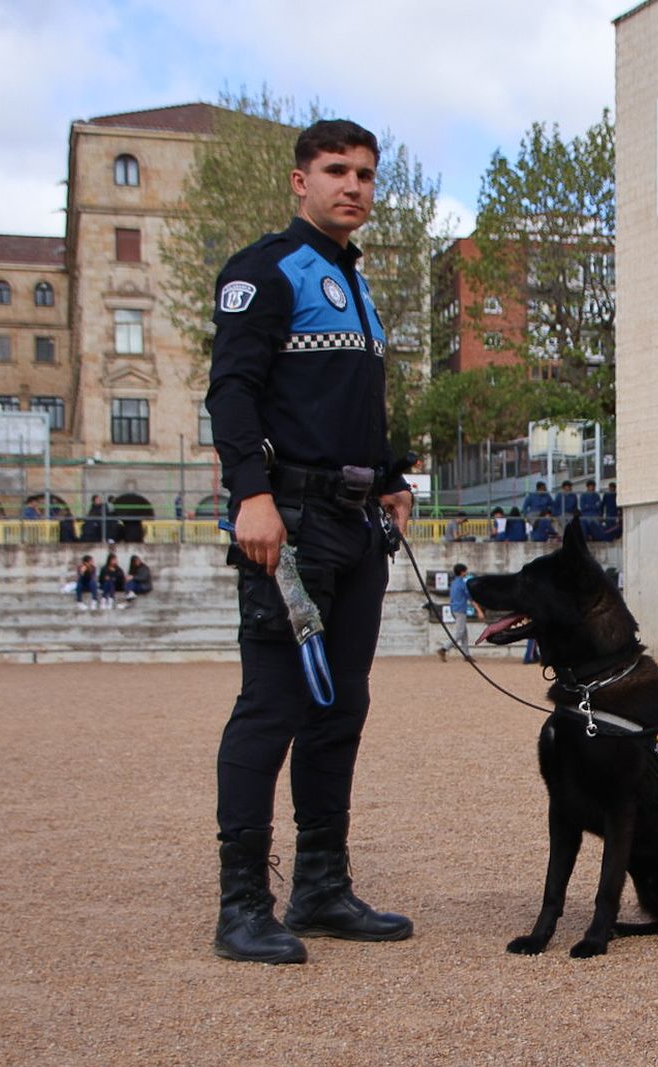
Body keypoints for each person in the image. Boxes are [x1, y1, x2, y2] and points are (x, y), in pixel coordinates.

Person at [203, 117, 415, 965]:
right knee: (273, 706)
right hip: (285, 524)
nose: (353, 185)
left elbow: (348, 408)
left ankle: (321, 887)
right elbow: (233, 392)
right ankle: (242, 906)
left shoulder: (356, 284)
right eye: (336, 170)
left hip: (356, 523)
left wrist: (393, 474)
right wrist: (250, 493)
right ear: (300, 181)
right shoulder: (266, 270)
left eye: (365, 173)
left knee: (341, 705)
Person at [435, 563, 484, 662]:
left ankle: (466, 655)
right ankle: (444, 648)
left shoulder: (454, 583)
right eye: (465, 571)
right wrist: (479, 611)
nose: (466, 572)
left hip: (454, 609)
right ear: (462, 572)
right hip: (460, 610)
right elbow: (470, 598)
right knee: (459, 633)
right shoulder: (463, 584)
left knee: (464, 633)